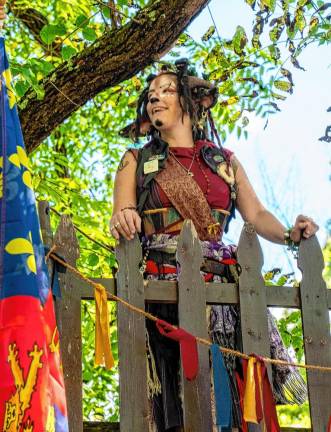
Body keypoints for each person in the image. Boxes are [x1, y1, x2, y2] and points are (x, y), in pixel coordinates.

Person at [109, 59, 319, 432]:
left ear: (193, 101)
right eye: (152, 94)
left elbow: (256, 214)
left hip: (222, 289)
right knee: (176, 393)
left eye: (167, 91)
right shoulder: (135, 161)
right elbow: (122, 211)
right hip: (162, 288)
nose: (156, 97)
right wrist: (124, 217)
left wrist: (290, 234)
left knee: (228, 396)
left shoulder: (225, 163)